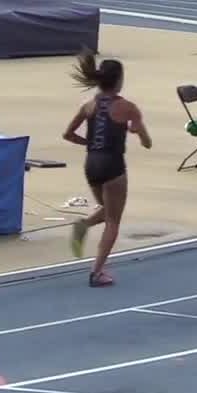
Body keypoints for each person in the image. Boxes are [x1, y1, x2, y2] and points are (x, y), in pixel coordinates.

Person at [62, 49, 151, 288]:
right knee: (113, 220)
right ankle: (97, 271)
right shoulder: (128, 108)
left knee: (106, 208)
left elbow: (68, 134)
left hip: (91, 164)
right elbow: (147, 142)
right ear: (119, 81)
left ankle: (83, 225)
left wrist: (89, 143)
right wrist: (137, 131)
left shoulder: (88, 105)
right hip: (113, 166)